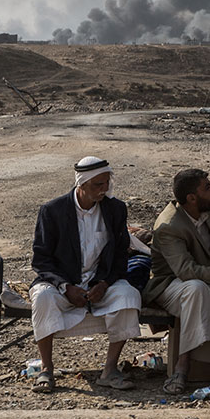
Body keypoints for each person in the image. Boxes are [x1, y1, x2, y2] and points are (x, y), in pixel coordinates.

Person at [29, 156, 142, 393]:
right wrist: (65, 287)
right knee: (42, 298)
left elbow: (120, 255)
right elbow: (41, 259)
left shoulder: (116, 209)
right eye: (97, 185)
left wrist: (104, 283)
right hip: (62, 282)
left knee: (129, 296)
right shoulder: (53, 211)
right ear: (81, 184)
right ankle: (46, 369)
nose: (103, 190)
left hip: (99, 284)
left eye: (106, 184)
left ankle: (110, 370)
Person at [144, 168, 210, 395]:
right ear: (191, 198)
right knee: (196, 289)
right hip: (171, 285)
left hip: (207, 277)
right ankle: (186, 366)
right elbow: (185, 271)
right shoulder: (169, 226)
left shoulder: (207, 210)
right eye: (207, 188)